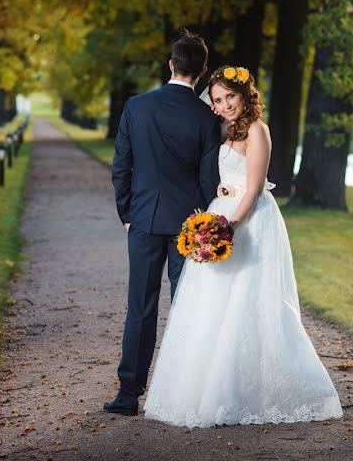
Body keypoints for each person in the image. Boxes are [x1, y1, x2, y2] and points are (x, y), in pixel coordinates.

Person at [142, 65, 343, 427]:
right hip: (222, 212)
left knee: (253, 302)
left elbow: (253, 187)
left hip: (250, 220)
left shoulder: (257, 131)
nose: (223, 104)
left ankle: (264, 389)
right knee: (214, 303)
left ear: (244, 94)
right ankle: (211, 387)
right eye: (217, 100)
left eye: (229, 97)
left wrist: (229, 225)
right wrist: (215, 208)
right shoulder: (222, 129)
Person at [104, 30, 222, 417]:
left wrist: (126, 214)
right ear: (202, 71)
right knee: (187, 305)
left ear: (170, 65)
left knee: (140, 306)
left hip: (143, 220)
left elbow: (121, 166)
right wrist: (203, 221)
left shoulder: (136, 107)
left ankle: (128, 394)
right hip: (189, 224)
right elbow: (209, 179)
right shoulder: (207, 116)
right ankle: (186, 393)